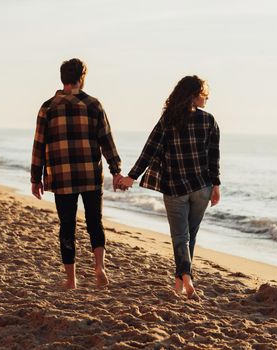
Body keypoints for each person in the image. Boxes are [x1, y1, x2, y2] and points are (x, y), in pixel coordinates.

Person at [119, 75, 220, 299]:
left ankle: (185, 279)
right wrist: (216, 186)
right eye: (204, 94)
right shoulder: (209, 121)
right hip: (201, 187)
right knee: (189, 236)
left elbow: (150, 150)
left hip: (175, 189)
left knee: (181, 237)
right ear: (194, 95)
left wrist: (131, 177)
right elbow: (214, 159)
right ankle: (181, 283)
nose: (207, 98)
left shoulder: (168, 120)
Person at [30, 58, 123, 289]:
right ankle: (99, 266)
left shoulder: (48, 107)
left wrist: (35, 178)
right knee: (95, 222)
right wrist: (116, 170)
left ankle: (71, 280)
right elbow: (106, 141)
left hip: (61, 177)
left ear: (62, 78)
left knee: (67, 226)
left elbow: (39, 145)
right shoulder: (93, 105)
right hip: (90, 174)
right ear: (82, 78)